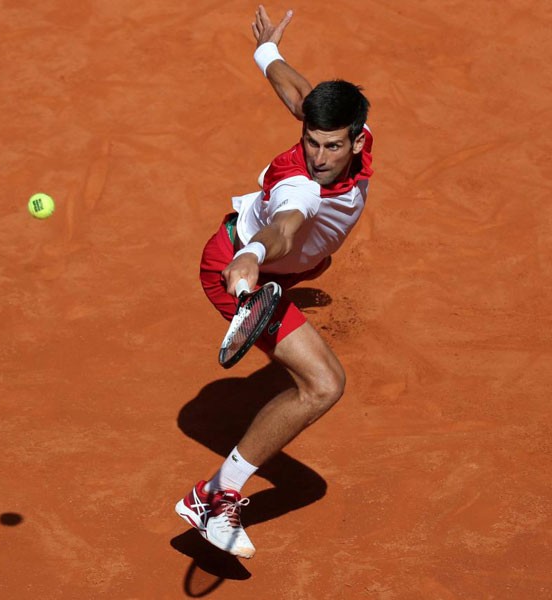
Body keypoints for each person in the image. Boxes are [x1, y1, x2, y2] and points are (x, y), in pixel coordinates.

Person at [175, 5, 373, 559]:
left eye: (332, 145)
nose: (318, 155)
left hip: (290, 264)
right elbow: (287, 227)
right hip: (236, 264)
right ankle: (214, 495)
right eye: (311, 142)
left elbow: (298, 95)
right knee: (323, 385)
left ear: (358, 140)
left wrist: (267, 52)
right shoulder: (300, 190)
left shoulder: (337, 131)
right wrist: (257, 254)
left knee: (319, 263)